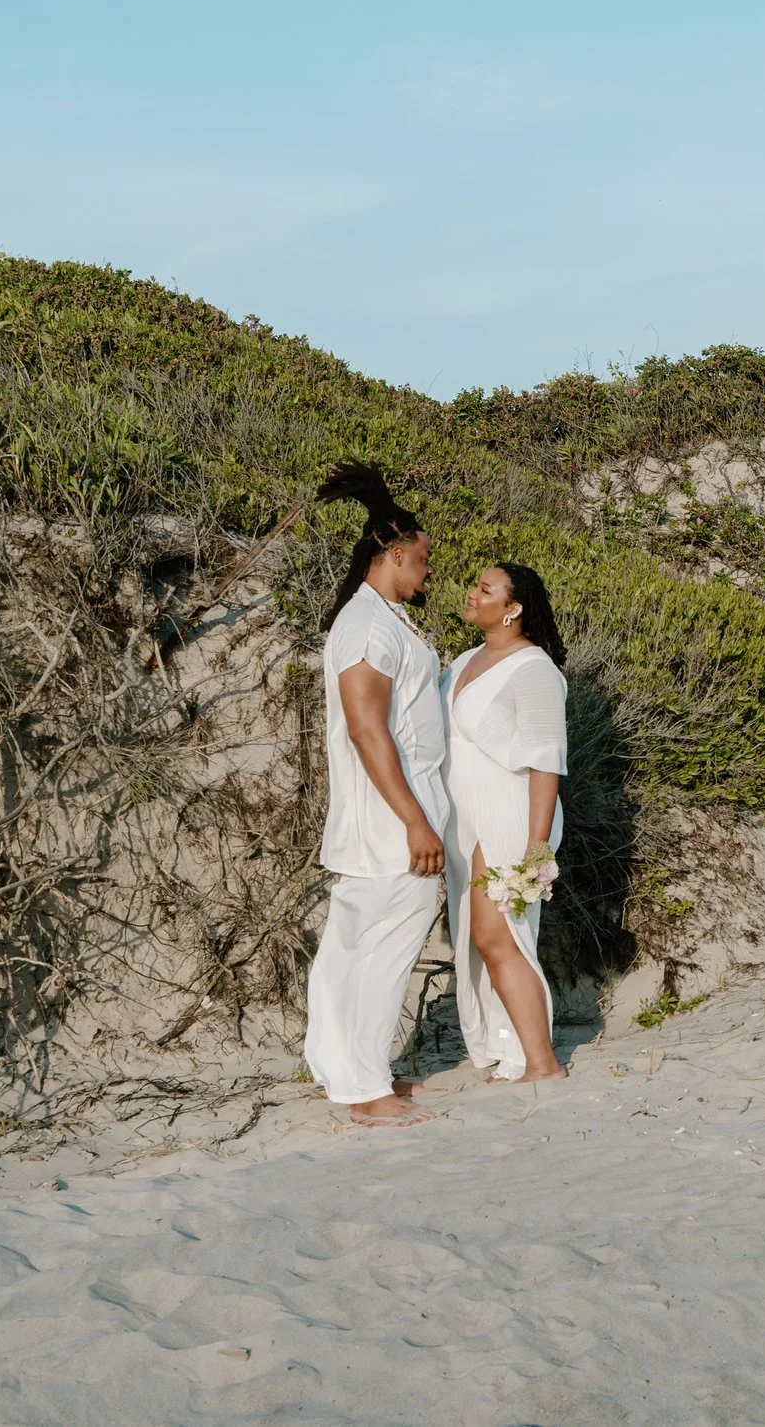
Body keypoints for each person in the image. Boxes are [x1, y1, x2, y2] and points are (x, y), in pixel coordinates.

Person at [302, 462, 450, 1126]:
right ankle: (365, 1089)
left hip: (387, 814)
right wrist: (416, 821)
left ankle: (342, 1069)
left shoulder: (383, 619)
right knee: (385, 949)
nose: (428, 571)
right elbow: (367, 730)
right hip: (391, 818)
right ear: (393, 553)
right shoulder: (366, 626)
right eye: (422, 559)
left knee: (352, 948)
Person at [443, 562, 570, 1082]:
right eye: (474, 583)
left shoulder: (534, 669)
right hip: (466, 814)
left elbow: (547, 762)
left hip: (512, 814)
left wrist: (536, 848)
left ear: (512, 609)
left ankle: (542, 1064)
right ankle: (507, 1050)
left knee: (500, 937)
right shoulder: (465, 659)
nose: (471, 593)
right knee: (480, 937)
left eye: (485, 589)